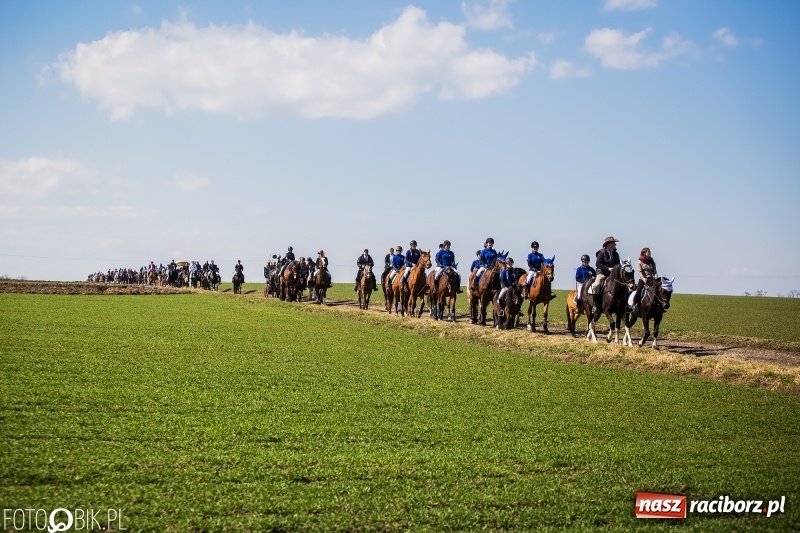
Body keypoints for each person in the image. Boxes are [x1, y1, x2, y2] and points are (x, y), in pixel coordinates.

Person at [590, 236, 621, 312]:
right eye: (613, 243)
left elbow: (617, 264)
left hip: (612, 275)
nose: (615, 245)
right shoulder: (601, 252)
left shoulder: (616, 254)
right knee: (595, 286)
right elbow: (598, 264)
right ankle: (594, 305)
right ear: (608, 244)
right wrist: (608, 268)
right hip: (602, 273)